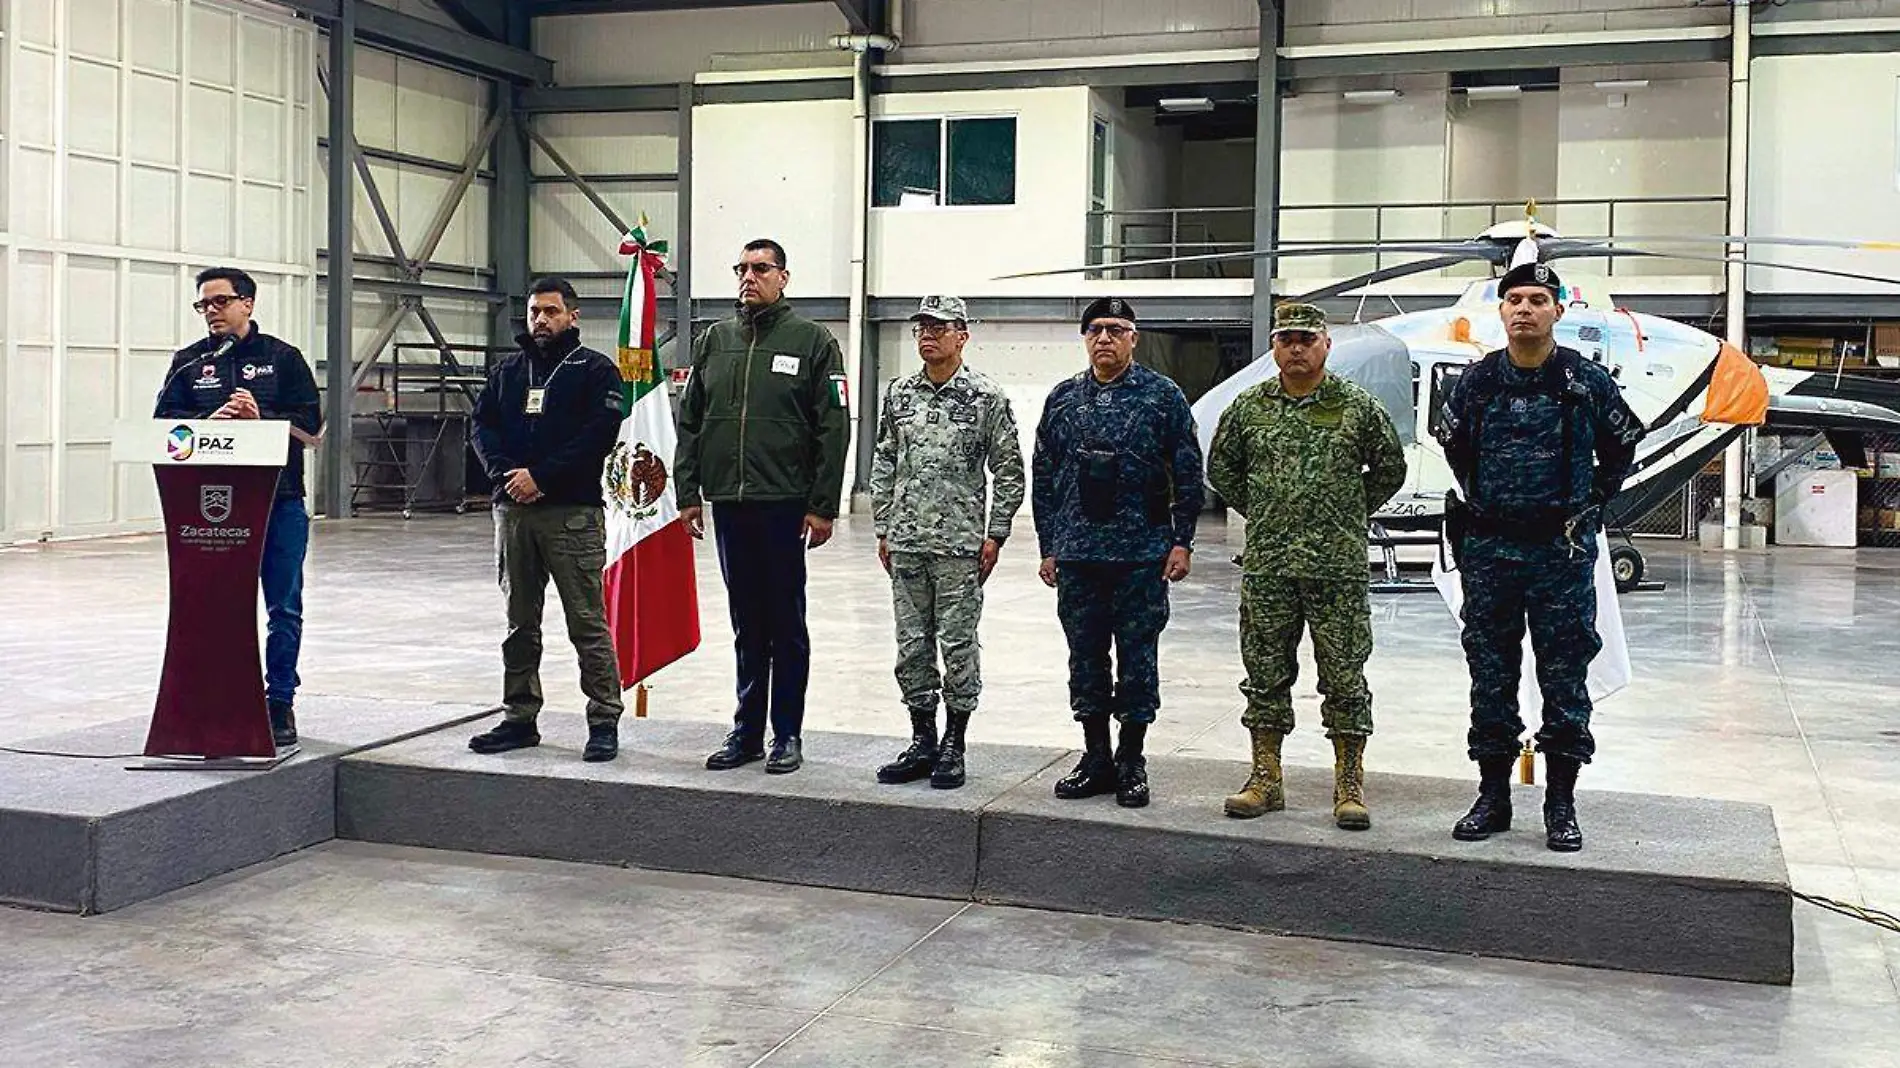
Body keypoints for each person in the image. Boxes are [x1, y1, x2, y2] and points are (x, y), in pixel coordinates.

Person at [1435, 261, 1645, 852]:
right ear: (1501, 311)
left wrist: (1593, 502)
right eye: (1515, 299)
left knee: (1564, 675)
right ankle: (1493, 797)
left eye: (1537, 299)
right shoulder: (1476, 383)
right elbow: (1457, 451)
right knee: (1491, 675)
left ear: (1558, 311)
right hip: (1492, 549)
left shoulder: (1584, 381)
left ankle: (1560, 802)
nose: (1524, 308)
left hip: (1560, 551)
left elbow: (1623, 444)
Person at [1206, 303, 1408, 829]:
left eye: (1306, 339)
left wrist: (1345, 508)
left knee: (1344, 678)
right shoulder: (1247, 408)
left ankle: (1348, 784)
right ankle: (1266, 779)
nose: (1296, 347)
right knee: (1265, 675)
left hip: (1336, 567)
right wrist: (1266, 507)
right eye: (1286, 339)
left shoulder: (1357, 406)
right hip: (1270, 564)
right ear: (1273, 346)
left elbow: (1391, 467)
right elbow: (1221, 467)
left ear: (1325, 346)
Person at [674, 239, 850, 775]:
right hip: (729, 504)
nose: (749, 278)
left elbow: (834, 426)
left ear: (784, 277)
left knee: (785, 625)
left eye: (761, 268)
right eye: (742, 269)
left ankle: (787, 735)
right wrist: (687, 494)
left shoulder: (814, 341)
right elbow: (691, 423)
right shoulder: (714, 342)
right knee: (746, 624)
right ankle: (746, 732)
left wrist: (822, 505)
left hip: (784, 505)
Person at [1032, 297, 1204, 808]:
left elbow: (1188, 471)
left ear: (1134, 338)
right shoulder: (1064, 399)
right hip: (1080, 556)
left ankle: (1132, 760)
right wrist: (1049, 546)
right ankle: (1095, 757)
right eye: (1095, 330)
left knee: (1137, 662)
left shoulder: (1162, 396)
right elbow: (1045, 476)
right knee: (1085, 660)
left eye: (1116, 329)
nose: (1104, 338)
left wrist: (1182, 540)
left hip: (1141, 555)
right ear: (1085, 339)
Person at [154, 267, 320, 750]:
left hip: (278, 502)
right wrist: (208, 420)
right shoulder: (189, 363)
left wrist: (261, 418)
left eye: (220, 302)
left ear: (248, 303)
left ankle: (279, 702)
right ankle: (217, 698)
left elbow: (313, 427)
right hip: (209, 509)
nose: (211, 312)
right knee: (215, 608)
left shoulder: (283, 359)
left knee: (283, 606)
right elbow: (165, 425)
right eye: (203, 305)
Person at [466, 277, 627, 763]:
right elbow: (480, 426)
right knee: (519, 623)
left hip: (571, 513)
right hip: (512, 512)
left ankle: (603, 719)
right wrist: (505, 476)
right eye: (535, 311)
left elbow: (598, 435)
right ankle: (519, 716)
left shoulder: (596, 372)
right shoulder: (507, 371)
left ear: (572, 317)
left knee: (587, 622)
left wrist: (542, 476)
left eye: (551, 312)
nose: (541, 320)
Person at [869, 296, 1026, 790]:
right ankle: (922, 739)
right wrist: (883, 525)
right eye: (921, 328)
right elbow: (884, 460)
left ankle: (954, 743)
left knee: (958, 646)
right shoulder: (899, 395)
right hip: (907, 542)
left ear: (963, 335)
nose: (927, 336)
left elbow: (1009, 469)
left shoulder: (985, 398)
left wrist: (995, 533)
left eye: (939, 328)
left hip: (960, 546)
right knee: (911, 647)